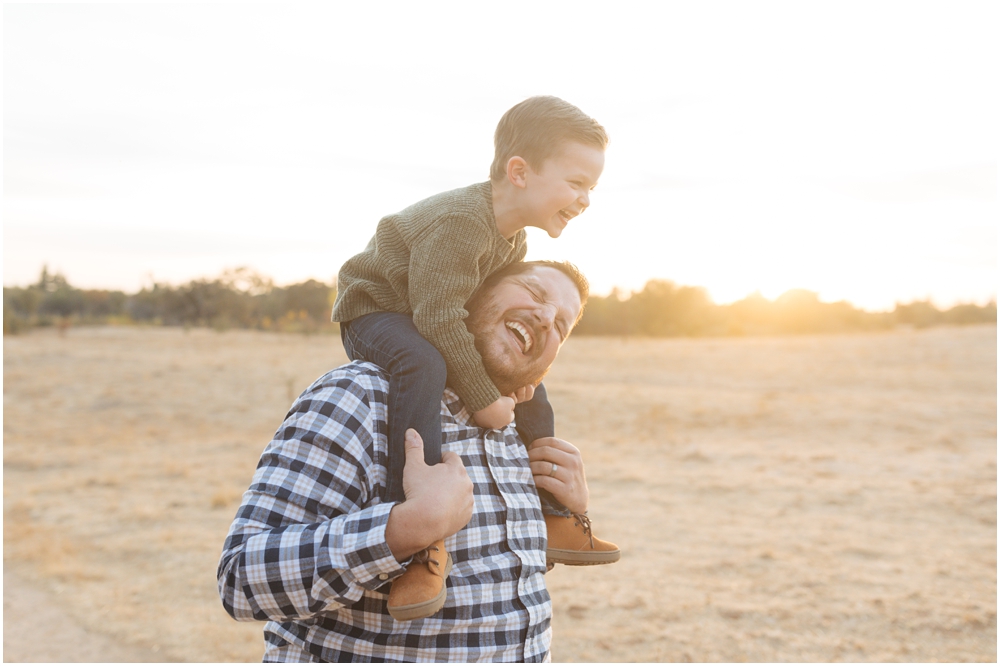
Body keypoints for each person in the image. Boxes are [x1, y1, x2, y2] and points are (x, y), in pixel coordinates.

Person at [218, 261, 619, 662]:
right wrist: (403, 530)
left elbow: (489, 580)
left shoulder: (518, 430)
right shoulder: (360, 397)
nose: (547, 317)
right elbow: (241, 579)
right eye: (534, 292)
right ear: (469, 293)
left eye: (563, 326)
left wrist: (563, 508)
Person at [331, 97, 618, 618]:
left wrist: (520, 381)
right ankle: (419, 535)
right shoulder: (463, 222)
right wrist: (486, 399)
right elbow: (438, 317)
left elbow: (483, 315)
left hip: (424, 309)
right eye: (577, 183)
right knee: (423, 364)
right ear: (519, 172)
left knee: (531, 385)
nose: (585, 199)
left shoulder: (511, 242)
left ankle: (553, 512)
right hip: (378, 308)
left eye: (591, 189)